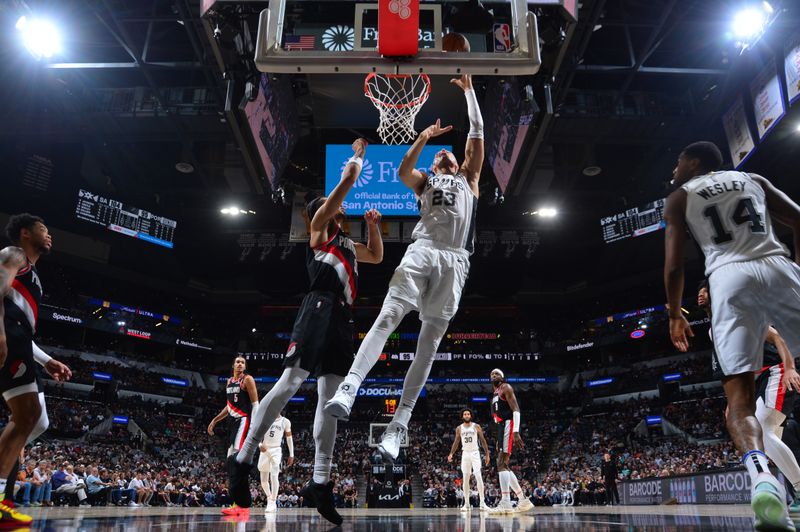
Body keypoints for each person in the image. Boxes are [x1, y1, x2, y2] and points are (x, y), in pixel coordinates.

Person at [325, 75, 484, 465]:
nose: (444, 157)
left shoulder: (470, 179)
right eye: (438, 156)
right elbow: (402, 171)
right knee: (388, 316)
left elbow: (478, 132)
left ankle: (399, 426)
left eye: (449, 154)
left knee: (427, 347)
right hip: (423, 250)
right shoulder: (425, 180)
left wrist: (468, 91)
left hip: (456, 259)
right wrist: (425, 136)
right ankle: (350, 386)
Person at [229, 138, 384, 526]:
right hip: (317, 308)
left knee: (330, 402)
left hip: (343, 320)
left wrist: (372, 226)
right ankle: (243, 458)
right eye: (333, 205)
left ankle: (320, 481)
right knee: (288, 384)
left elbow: (377, 255)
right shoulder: (318, 231)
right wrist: (358, 158)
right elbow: (347, 179)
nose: (339, 207)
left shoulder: (347, 243)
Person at [664, 141, 800, 531]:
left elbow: (674, 267)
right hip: (776, 263)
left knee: (738, 405)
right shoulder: (753, 178)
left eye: (678, 160)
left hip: (729, 276)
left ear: (694, 162)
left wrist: (674, 314)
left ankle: (762, 480)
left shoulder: (679, 196)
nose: (674, 167)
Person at [699, 280, 800, 512]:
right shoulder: (713, 329)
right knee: (765, 436)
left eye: (703, 290)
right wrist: (733, 401)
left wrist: (791, 367)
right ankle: (795, 490)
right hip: (756, 379)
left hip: (777, 371)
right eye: (698, 292)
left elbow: (776, 338)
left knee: (762, 430)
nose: (699, 295)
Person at [0, 214, 72, 526]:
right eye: (44, 229)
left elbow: (22, 322)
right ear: (26, 233)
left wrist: (46, 360)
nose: (49, 234)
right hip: (8, 336)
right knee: (27, 416)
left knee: (34, 419)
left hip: (19, 339)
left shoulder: (33, 272)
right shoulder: (13, 254)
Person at [208, 356, 258, 516]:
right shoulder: (229, 382)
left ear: (245, 366)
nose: (240, 364)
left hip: (243, 421)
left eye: (243, 362)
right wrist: (215, 420)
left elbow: (256, 404)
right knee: (232, 465)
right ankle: (239, 503)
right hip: (232, 423)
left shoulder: (248, 380)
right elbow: (229, 406)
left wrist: (255, 427)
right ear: (233, 365)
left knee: (234, 463)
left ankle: (240, 504)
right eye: (237, 361)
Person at [488, 369, 533, 514]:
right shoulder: (495, 393)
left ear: (502, 376)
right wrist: (498, 438)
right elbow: (496, 417)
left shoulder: (506, 387)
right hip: (502, 427)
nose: (493, 375)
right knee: (503, 464)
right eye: (491, 374)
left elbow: (516, 409)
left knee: (501, 463)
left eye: (496, 373)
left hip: (509, 424)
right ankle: (523, 500)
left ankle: (506, 502)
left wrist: (516, 431)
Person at [447, 408, 490, 512]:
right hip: (465, 453)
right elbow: (456, 442)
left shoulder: (476, 426)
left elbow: (483, 441)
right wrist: (451, 453)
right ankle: (466, 504)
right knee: (465, 478)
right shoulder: (459, 428)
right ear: (462, 416)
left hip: (475, 453)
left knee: (478, 476)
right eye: (465, 414)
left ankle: (482, 503)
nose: (466, 415)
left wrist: (487, 454)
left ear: (471, 416)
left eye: (468, 414)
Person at [258, 411, 293, 513]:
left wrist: (291, 454)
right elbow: (257, 435)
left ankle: (273, 501)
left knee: (274, 475)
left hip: (276, 450)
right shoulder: (265, 419)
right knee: (263, 480)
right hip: (265, 450)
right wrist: (260, 445)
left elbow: (289, 438)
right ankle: (269, 497)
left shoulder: (285, 421)